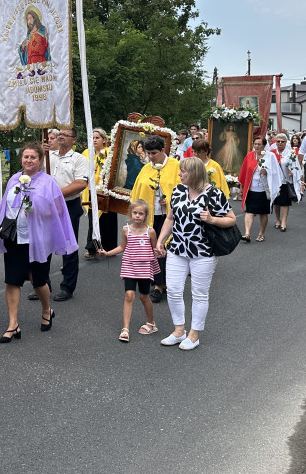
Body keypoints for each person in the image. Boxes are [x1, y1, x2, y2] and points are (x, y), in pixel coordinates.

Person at [0, 142, 77, 343]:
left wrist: (37, 210)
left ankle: (46, 309)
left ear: (40, 160)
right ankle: (13, 324)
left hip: (37, 239)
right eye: (25, 157)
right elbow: (6, 205)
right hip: (14, 237)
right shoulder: (14, 179)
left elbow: (58, 211)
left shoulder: (48, 182)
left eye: (33, 157)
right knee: (12, 279)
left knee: (38, 280)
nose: (28, 160)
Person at [155, 158, 236, 351]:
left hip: (203, 251)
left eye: (183, 171)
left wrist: (212, 219)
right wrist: (160, 240)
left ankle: (194, 334)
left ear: (194, 173)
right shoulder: (178, 190)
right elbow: (170, 218)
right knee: (174, 290)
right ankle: (179, 330)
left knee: (199, 294)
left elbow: (231, 220)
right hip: (177, 249)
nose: (179, 174)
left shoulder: (214, 194)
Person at [129, 135, 181, 303]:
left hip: (169, 216)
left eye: (154, 153)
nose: (151, 157)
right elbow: (138, 190)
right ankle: (156, 279)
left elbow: (183, 189)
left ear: (163, 151)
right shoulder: (146, 168)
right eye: (148, 153)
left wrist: (171, 200)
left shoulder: (176, 166)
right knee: (152, 248)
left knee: (163, 247)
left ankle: (160, 286)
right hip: (150, 215)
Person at [98, 199, 158, 342]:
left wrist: (161, 252)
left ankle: (151, 323)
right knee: (129, 295)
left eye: (141, 214)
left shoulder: (151, 232)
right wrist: (108, 253)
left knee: (144, 297)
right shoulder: (126, 230)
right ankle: (125, 328)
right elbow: (122, 247)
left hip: (144, 268)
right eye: (135, 213)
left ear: (146, 215)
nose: (137, 216)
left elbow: (155, 250)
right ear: (130, 213)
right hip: (129, 266)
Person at [48, 127, 88, 301]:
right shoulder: (48, 156)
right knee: (44, 244)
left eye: (65, 135)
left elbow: (80, 183)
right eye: (59, 135)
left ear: (74, 140)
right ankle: (42, 284)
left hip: (68, 204)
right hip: (47, 205)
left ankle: (68, 287)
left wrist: (56, 194)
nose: (61, 137)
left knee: (68, 246)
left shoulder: (79, 159)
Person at [82, 127, 117, 259]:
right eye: (92, 138)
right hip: (91, 190)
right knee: (93, 219)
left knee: (108, 219)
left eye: (97, 137)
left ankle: (109, 247)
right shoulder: (86, 152)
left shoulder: (109, 152)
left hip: (106, 190)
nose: (94, 140)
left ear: (104, 139)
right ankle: (92, 248)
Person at [237, 136, 275, 242]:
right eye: (255, 144)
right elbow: (244, 172)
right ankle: (247, 233)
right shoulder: (250, 156)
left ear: (264, 145)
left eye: (259, 144)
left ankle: (261, 233)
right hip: (251, 188)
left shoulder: (269, 156)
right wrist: (242, 187)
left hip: (264, 189)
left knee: (263, 212)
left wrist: (267, 172)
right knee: (249, 211)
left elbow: (276, 172)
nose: (257, 146)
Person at [267, 133, 301, 232]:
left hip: (285, 181)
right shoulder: (271, 153)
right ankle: (278, 220)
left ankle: (284, 221)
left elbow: (296, 166)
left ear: (286, 142)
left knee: (285, 202)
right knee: (276, 202)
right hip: (274, 181)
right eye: (278, 141)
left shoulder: (290, 153)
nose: (280, 143)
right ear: (275, 142)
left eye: (282, 141)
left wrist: (292, 172)